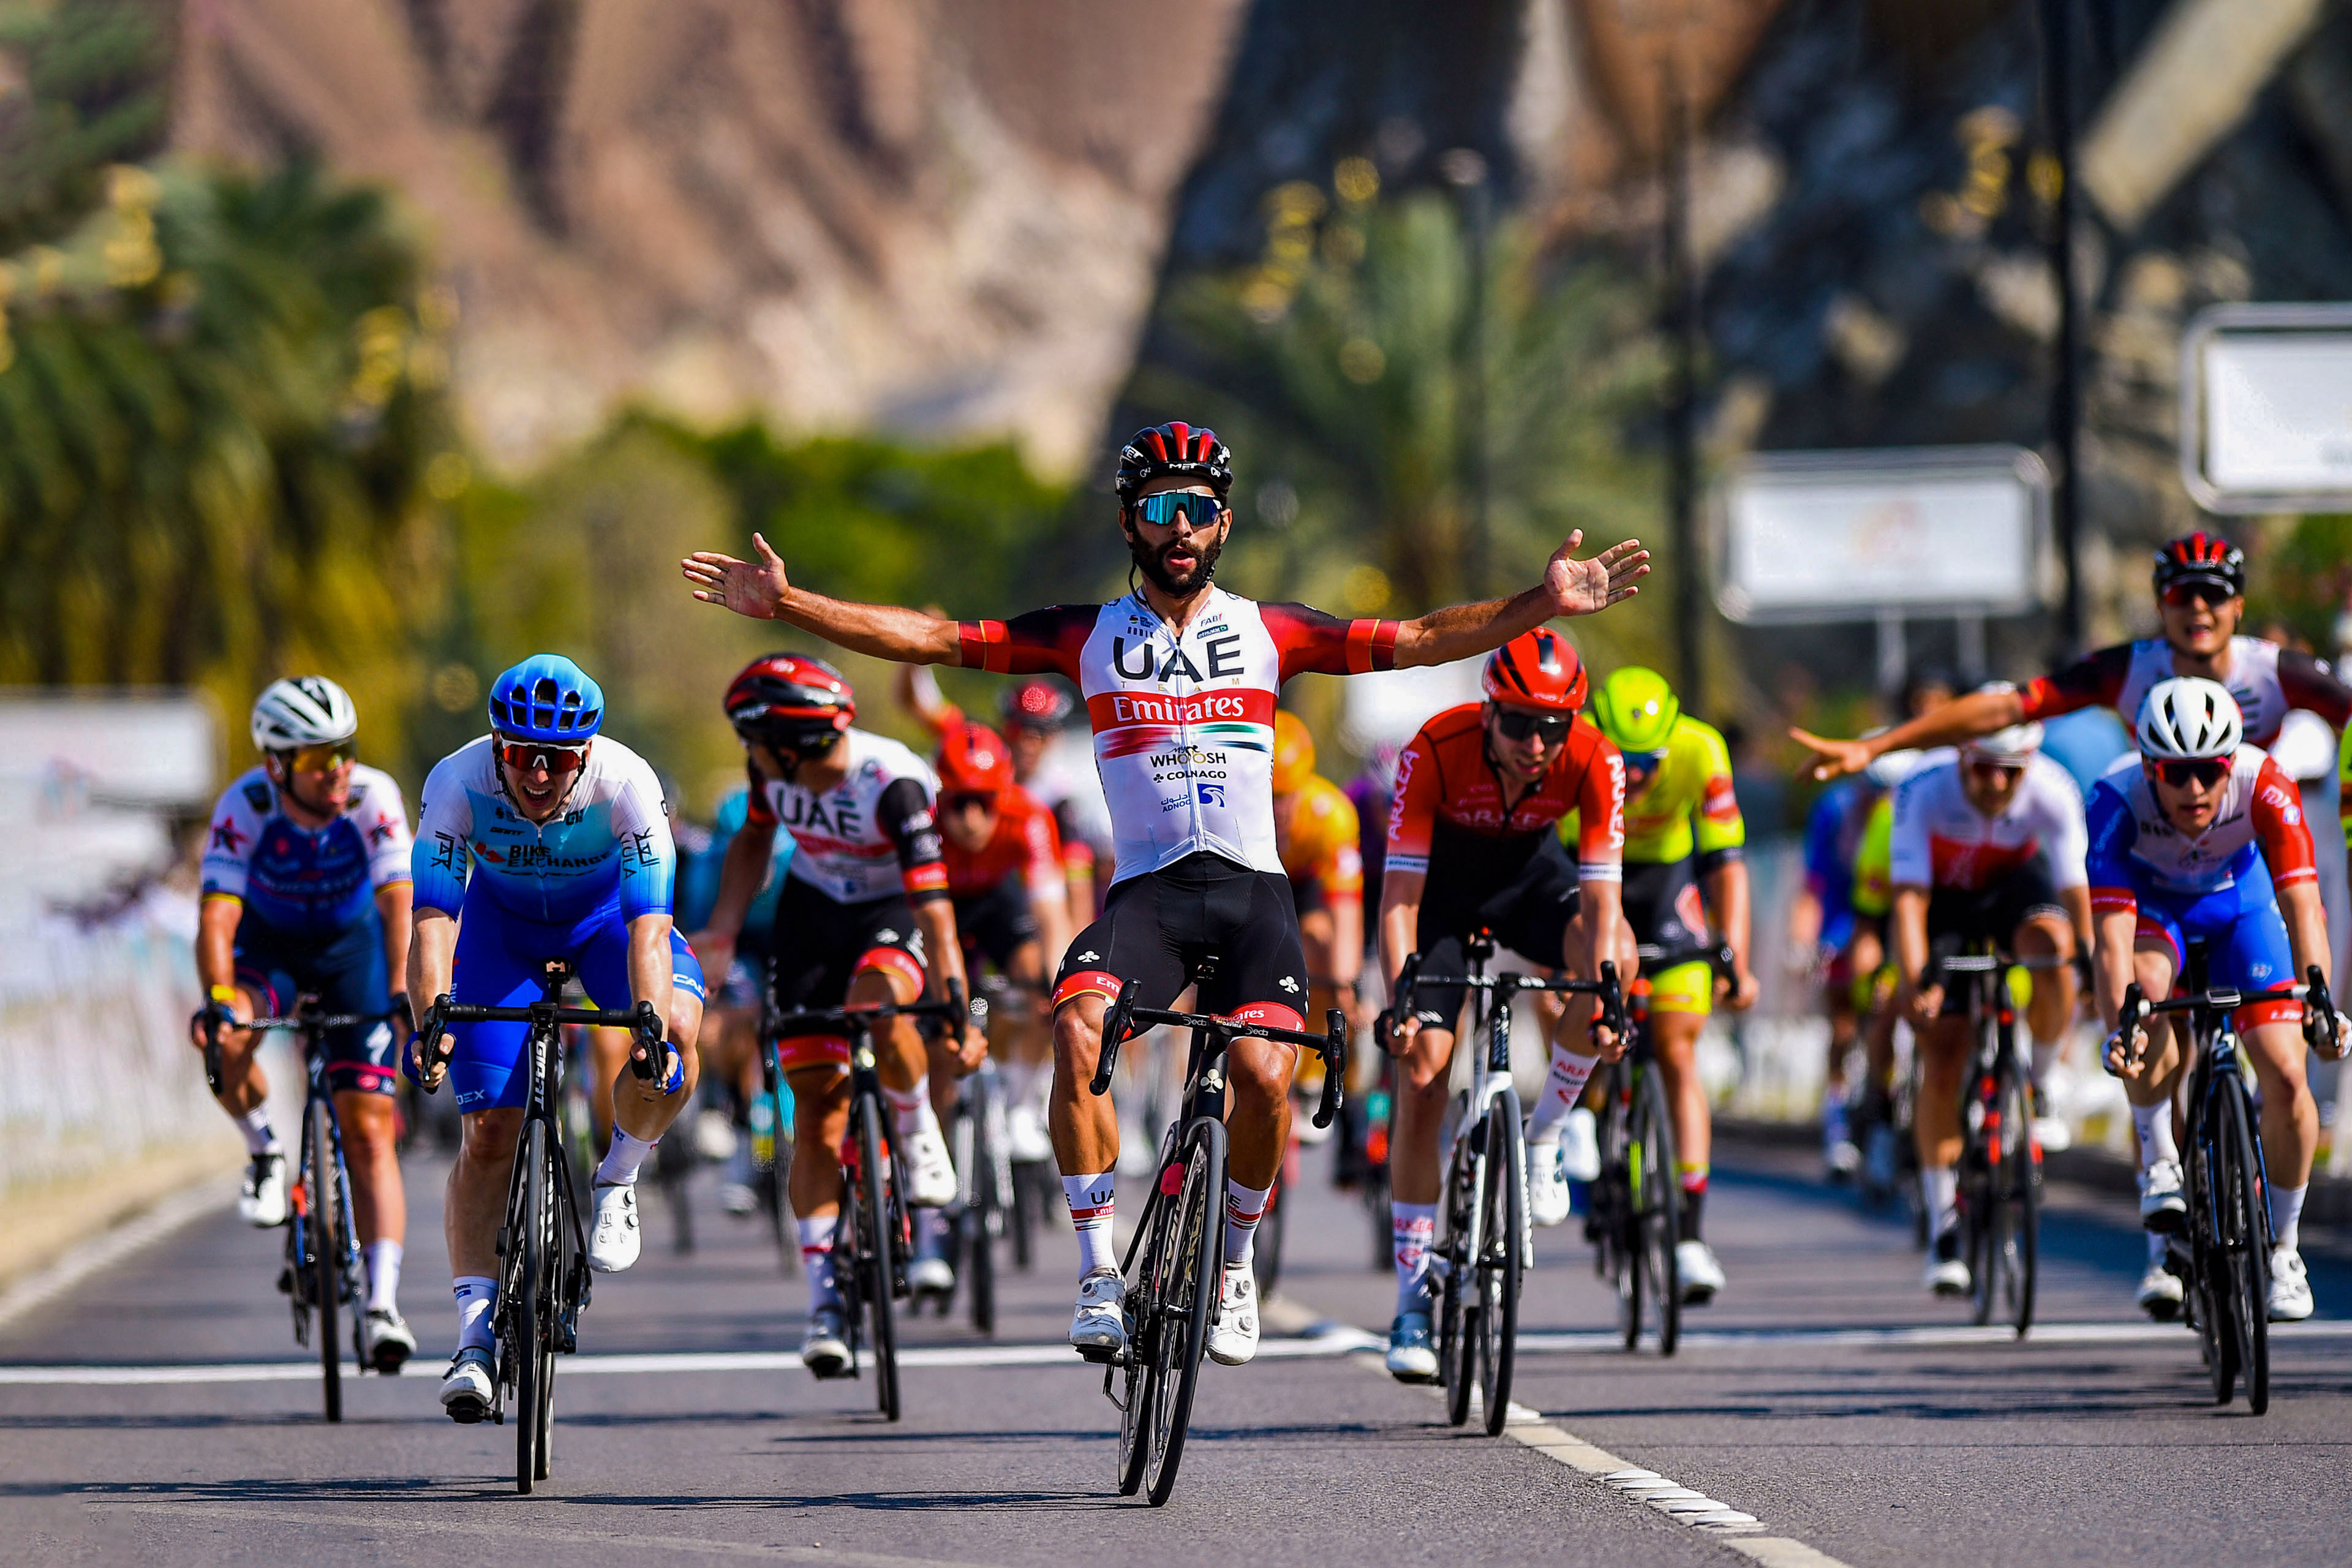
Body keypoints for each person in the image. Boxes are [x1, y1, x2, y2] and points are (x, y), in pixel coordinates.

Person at [682, 418, 1648, 1371]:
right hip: (1148, 898)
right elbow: (931, 639)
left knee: (1269, 1080)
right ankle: (1100, 1271)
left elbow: (1426, 639)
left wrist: (1541, 604)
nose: (1180, 527)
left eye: (1199, 509)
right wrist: (792, 606)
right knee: (1075, 1029)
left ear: (1224, 524)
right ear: (1129, 523)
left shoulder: (1272, 632)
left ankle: (1232, 1265)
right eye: (1159, 508)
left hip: (1252, 894)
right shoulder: (1085, 636)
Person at [405, 655, 707, 1422]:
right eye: (522, 756)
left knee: (673, 1039)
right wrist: (431, 1018)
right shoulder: (456, 781)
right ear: (497, 745)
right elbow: (434, 919)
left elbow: (650, 927)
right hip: (499, 931)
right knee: (488, 1135)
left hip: (607, 924)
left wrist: (646, 1025)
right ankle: (474, 1338)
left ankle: (618, 1177)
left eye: (559, 760)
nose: (538, 775)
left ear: (586, 754)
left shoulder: (628, 785)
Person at [690, 654, 984, 1374]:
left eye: (753, 740)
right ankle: (825, 1302)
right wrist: (724, 934)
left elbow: (936, 911)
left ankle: (916, 1135)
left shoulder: (895, 783)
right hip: (813, 913)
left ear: (792, 743)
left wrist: (954, 1002)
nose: (748, 754)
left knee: (879, 1005)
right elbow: (752, 842)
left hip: (891, 910)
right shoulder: (771, 775)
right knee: (817, 1110)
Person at [1378, 628, 1629, 1378]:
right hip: (1442, 897)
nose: (1536, 742)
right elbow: (1399, 901)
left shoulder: (1596, 757)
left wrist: (1609, 994)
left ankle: (1547, 1135)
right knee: (1423, 1073)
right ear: (1488, 710)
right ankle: (1413, 1301)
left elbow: (1602, 903)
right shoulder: (1434, 747)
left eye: (1553, 726)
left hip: (1532, 882)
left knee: (1612, 959)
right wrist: (1401, 996)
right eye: (1519, 722)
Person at [2097, 679, 2346, 1321]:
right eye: (2175, 774)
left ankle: (2284, 1249)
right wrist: (2120, 1027)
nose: (2194, 790)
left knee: (2288, 1071)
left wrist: (2318, 994)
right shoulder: (2112, 798)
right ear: (2150, 767)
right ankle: (2160, 1162)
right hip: (2157, 912)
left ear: (2231, 762)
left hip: (2243, 910)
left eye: (2209, 771)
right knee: (2147, 998)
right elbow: (2111, 941)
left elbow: (2301, 903)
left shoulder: (2267, 782)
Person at [195, 677, 418, 1371]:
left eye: (344, 751)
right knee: (222, 1035)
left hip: (353, 951)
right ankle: (264, 1150)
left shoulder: (372, 797)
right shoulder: (247, 805)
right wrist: (221, 996)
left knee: (369, 1127)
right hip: (273, 950)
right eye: (320, 759)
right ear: (278, 766)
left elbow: (398, 900)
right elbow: (217, 917)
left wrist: (405, 994)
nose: (338, 770)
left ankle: (381, 1305)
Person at [1793, 533, 2352, 777]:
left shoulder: (2280, 671)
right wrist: (1878, 747)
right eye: (2183, 594)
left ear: (2240, 608)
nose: (2199, 609)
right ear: (2161, 607)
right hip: (2162, 849)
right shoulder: (2126, 669)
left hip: (2256, 845)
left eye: (2215, 595)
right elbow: (2006, 709)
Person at [1570, 668, 1757, 1300]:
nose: (1639, 777)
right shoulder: (1575, 747)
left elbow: (1727, 865)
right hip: (1596, 874)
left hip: (1669, 882)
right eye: (1625, 762)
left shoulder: (1701, 748)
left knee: (1678, 1053)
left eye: (1647, 762)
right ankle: (1583, 1116)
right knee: (1585, 1008)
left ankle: (1691, 1238)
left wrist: (1737, 958)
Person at [1886, 722, 2090, 1297]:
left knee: (2056, 951)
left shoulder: (2053, 788)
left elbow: (2076, 891)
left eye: (2012, 773)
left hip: (2012, 890)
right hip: (1944, 905)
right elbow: (1909, 899)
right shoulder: (1923, 789)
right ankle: (1944, 1229)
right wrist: (1917, 979)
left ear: (2028, 766)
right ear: (1962, 759)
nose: (1998, 784)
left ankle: (2041, 1081)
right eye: (1983, 770)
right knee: (1943, 1057)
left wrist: (2095, 963)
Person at [935, 715, 1072, 1166]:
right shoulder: (923, 822)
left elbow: (1051, 914)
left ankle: (1017, 1103)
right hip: (940, 904)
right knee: (934, 1022)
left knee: (1037, 980)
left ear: (1002, 796)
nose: (970, 819)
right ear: (941, 799)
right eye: (958, 804)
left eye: (983, 802)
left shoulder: (1029, 814)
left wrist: (1057, 984)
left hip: (997, 899)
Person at [896, 666, 1113, 920]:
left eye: (1040, 733)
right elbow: (918, 702)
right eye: (1019, 729)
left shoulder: (1063, 792)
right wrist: (916, 658)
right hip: (960, 877)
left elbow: (1093, 866)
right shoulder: (975, 745)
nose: (1027, 742)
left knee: (1078, 856)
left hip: (1024, 888)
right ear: (1004, 726)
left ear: (1056, 738)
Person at [1272, 710, 1371, 1114]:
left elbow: (1345, 911)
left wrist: (1345, 984)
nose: (1278, 810)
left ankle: (1314, 1067)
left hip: (1306, 879)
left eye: (1285, 797)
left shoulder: (1333, 814)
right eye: (1269, 797)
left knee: (1317, 937)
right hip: (1259, 873)